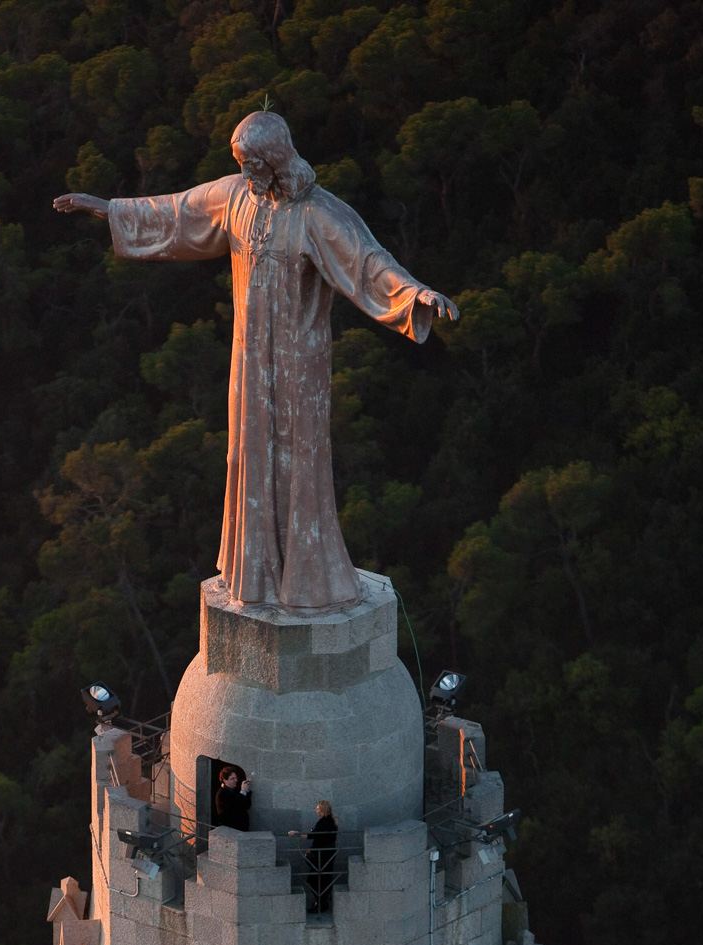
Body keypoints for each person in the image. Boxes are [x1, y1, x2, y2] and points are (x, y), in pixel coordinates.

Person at [54, 112, 457, 614]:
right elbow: (175, 213)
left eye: (254, 163)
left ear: (276, 159)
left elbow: (369, 262)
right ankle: (256, 572)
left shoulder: (317, 213)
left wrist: (415, 294)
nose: (246, 173)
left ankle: (308, 581)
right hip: (250, 358)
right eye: (241, 163)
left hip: (299, 363)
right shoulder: (234, 198)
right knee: (249, 454)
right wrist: (107, 208)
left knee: (299, 460)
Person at [290, 800, 339, 911]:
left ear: (323, 810)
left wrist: (297, 833)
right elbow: (319, 837)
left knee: (315, 880)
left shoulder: (325, 823)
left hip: (323, 856)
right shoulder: (328, 821)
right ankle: (322, 902)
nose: (316, 811)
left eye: (317, 808)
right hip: (325, 854)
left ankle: (321, 904)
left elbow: (312, 835)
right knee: (321, 879)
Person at [214, 765, 252, 831]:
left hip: (241, 828)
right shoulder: (222, 794)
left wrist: (247, 791)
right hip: (231, 830)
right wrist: (243, 792)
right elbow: (235, 808)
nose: (236, 780)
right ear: (225, 780)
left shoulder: (235, 790)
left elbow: (247, 806)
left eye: (236, 778)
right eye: (232, 779)